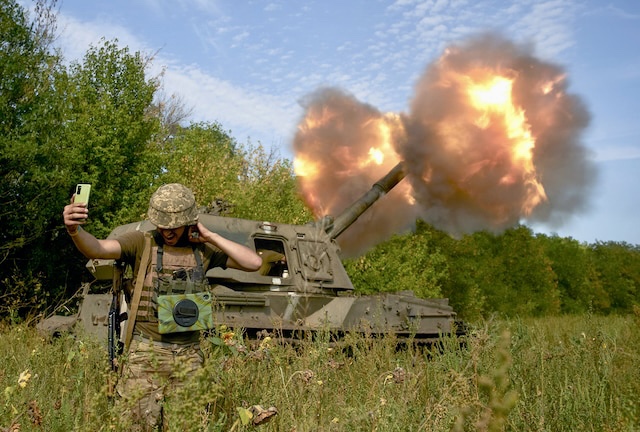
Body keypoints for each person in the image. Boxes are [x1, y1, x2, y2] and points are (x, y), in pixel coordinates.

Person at [63, 183, 262, 430]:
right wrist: (74, 230)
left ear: (188, 221)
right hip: (146, 355)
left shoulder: (203, 250)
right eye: (162, 224)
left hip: (189, 357)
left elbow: (254, 263)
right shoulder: (141, 242)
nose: (167, 230)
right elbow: (98, 248)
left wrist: (211, 236)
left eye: (174, 225)